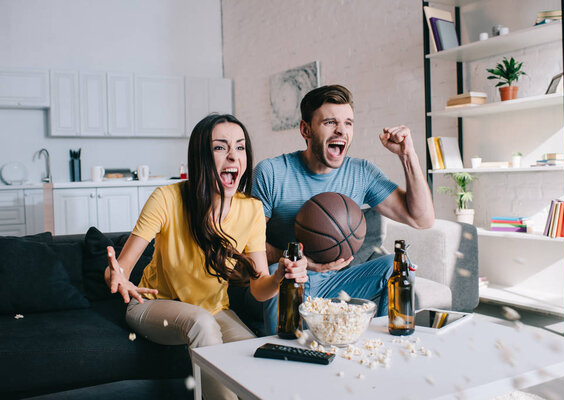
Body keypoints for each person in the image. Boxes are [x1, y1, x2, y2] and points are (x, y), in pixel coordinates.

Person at [103, 114, 307, 400]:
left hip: (214, 310)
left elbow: (260, 290)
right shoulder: (167, 198)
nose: (233, 156)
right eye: (220, 147)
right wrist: (118, 277)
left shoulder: (251, 210)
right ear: (201, 157)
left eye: (240, 147)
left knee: (257, 361)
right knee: (200, 322)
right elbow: (118, 270)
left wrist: (279, 276)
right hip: (151, 306)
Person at [231, 84, 434, 336]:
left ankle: (380, 349)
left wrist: (407, 155)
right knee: (282, 275)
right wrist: (296, 260)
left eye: (348, 123)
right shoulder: (271, 172)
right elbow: (244, 247)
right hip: (282, 282)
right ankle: (280, 353)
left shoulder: (361, 173)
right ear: (306, 129)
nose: (341, 130)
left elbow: (422, 219)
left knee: (397, 266)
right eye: (330, 122)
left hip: (336, 283)